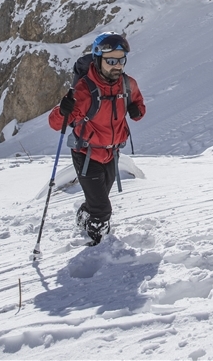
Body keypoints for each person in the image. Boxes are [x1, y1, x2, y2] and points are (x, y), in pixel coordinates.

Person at [48, 32, 145, 245]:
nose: (117, 65)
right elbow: (56, 123)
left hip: (111, 154)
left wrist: (137, 109)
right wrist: (62, 111)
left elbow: (138, 101)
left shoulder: (128, 84)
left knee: (98, 201)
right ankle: (98, 247)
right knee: (102, 209)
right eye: (111, 60)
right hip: (86, 154)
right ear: (98, 58)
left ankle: (84, 216)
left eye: (121, 60)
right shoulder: (84, 91)